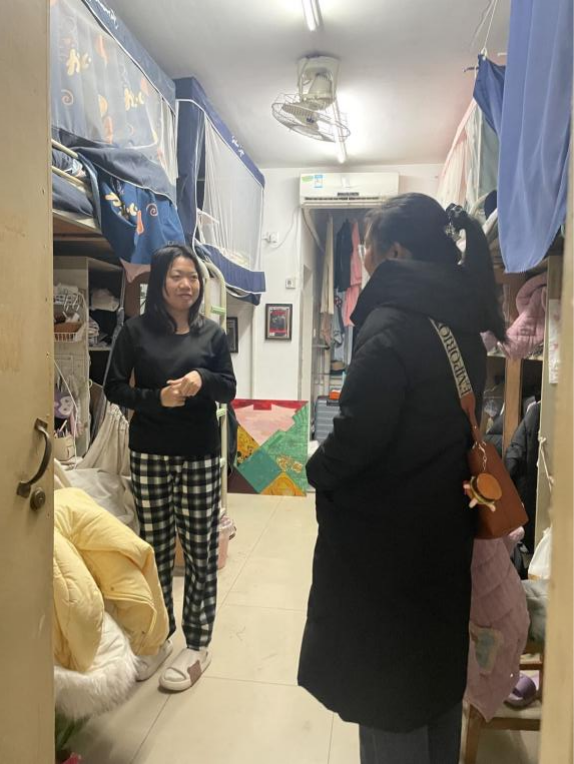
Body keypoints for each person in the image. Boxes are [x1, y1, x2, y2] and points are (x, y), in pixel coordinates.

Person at [298, 194, 506, 764]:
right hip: (443, 532)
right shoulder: (459, 323)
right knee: (433, 683)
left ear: (394, 252)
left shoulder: (391, 324)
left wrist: (316, 468)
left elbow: (358, 435)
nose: (362, 260)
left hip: (386, 550)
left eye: (366, 248)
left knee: (386, 693)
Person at [105, 243, 236, 692]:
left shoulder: (212, 335)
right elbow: (114, 388)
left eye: (193, 276)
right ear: (160, 280)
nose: (187, 284)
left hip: (200, 455)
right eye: (177, 276)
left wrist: (204, 380)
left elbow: (228, 389)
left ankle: (197, 644)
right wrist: (155, 398)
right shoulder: (135, 332)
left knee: (200, 552)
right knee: (154, 550)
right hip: (149, 453)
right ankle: (158, 637)